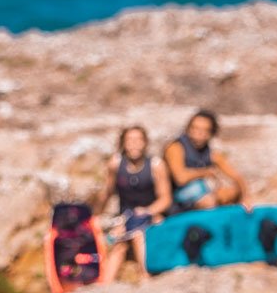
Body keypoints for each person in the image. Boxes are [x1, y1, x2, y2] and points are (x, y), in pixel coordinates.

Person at [95, 126, 172, 280]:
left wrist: (148, 211)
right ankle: (104, 285)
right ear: (123, 143)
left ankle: (145, 277)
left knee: (138, 235)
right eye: (129, 140)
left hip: (150, 213)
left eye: (138, 140)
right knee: (119, 246)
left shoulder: (156, 165)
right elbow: (107, 192)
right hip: (125, 216)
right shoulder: (115, 164)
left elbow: (165, 199)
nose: (134, 144)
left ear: (145, 143)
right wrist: (96, 215)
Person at [164, 110, 250, 212]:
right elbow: (180, 177)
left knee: (231, 192)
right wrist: (206, 172)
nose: (198, 133)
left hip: (202, 190)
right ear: (188, 129)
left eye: (204, 130)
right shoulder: (175, 148)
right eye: (195, 128)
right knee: (208, 200)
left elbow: (236, 176)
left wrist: (246, 197)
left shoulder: (211, 153)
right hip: (178, 196)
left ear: (211, 133)